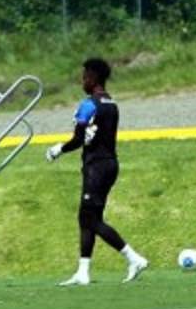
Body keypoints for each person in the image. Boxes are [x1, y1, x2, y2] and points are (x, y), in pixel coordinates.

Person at [46, 58, 148, 286]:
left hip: (96, 167)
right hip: (110, 164)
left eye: (84, 77)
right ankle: (83, 271)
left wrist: (58, 150)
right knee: (87, 217)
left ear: (92, 79)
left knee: (90, 220)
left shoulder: (88, 104)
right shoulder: (112, 103)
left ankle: (134, 258)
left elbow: (78, 139)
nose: (82, 81)